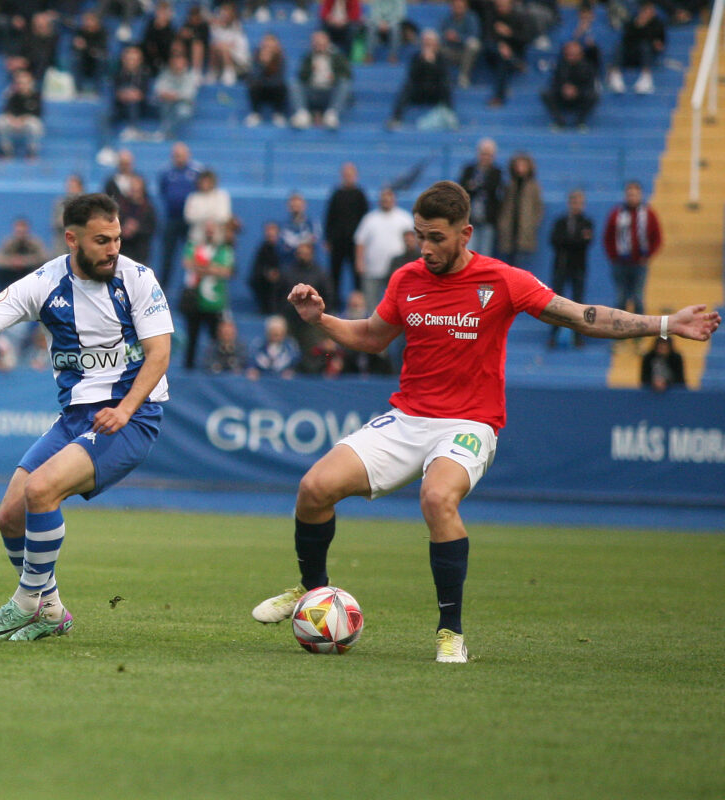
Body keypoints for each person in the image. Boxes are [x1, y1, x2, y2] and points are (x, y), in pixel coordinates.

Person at [250, 180, 720, 663]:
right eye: (419, 236)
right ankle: (313, 594)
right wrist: (320, 320)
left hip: (469, 424)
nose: (425, 247)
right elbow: (372, 337)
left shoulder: (503, 280)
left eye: (436, 237)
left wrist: (665, 324)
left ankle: (450, 632)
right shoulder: (406, 279)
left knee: (437, 498)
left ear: (466, 233)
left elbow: (582, 315)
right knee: (313, 488)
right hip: (409, 416)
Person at [0, 192, 174, 641]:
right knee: (9, 516)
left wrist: (125, 409)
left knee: (41, 489)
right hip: (75, 418)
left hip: (132, 415)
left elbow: (159, 353)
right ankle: (50, 610)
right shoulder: (44, 283)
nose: (113, 250)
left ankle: (25, 601)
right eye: (102, 240)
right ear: (71, 239)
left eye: (117, 239)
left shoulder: (138, 279)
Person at [181, 218, 234, 370]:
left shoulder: (224, 249)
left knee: (215, 337)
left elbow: (226, 271)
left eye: (213, 229)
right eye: (208, 229)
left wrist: (202, 268)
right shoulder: (195, 246)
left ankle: (215, 367)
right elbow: (187, 263)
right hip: (195, 300)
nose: (210, 232)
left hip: (215, 301)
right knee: (192, 337)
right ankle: (188, 368)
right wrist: (212, 268)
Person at [603, 180, 662, 315]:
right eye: (630, 194)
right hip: (620, 263)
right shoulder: (616, 214)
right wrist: (614, 256)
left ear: (640, 195)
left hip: (639, 263)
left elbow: (657, 238)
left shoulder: (648, 214)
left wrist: (647, 256)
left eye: (635, 194)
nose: (632, 197)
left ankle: (639, 331)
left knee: (638, 298)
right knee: (621, 298)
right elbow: (608, 237)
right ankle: (619, 329)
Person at [354, 187, 414, 313]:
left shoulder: (404, 218)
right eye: (384, 198)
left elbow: (413, 241)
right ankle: (374, 332)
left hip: (396, 272)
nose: (386, 200)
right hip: (373, 270)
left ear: (394, 199)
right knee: (372, 307)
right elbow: (360, 241)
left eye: (389, 197)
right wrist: (359, 262)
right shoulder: (370, 219)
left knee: (396, 307)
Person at [546, 188, 594, 348]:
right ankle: (553, 335)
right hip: (560, 267)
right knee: (556, 303)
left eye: (579, 202)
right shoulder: (560, 221)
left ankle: (578, 336)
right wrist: (574, 240)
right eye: (574, 202)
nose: (576, 206)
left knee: (578, 303)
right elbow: (554, 240)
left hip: (578, 267)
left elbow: (584, 243)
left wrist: (568, 241)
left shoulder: (587, 222)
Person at [386, 29, 453, 130]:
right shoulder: (416, 57)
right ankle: (396, 118)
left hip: (435, 91)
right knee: (407, 87)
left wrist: (432, 63)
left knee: (445, 85)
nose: (428, 44)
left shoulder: (441, 58)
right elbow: (412, 76)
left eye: (430, 41)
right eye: (426, 41)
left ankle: (449, 115)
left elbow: (443, 76)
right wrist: (423, 61)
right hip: (420, 91)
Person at [323, 162, 369, 308]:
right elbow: (329, 217)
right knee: (334, 275)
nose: (348, 177)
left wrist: (364, 242)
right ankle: (333, 305)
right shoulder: (336, 194)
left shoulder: (360, 195)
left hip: (355, 243)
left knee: (357, 275)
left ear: (355, 176)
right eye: (346, 174)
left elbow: (366, 219)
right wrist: (328, 239)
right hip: (337, 242)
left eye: (351, 174)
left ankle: (358, 306)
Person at [156, 142, 201, 288]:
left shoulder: (197, 171)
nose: (179, 158)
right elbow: (163, 191)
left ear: (188, 155)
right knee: (167, 257)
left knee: (193, 256)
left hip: (191, 221)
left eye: (181, 155)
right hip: (172, 219)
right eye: (176, 155)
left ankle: (192, 290)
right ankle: (163, 290)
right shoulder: (166, 173)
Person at [495, 151, 543, 267]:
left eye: (523, 165)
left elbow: (538, 208)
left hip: (524, 232)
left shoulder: (533, 186)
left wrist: (532, 224)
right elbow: (503, 206)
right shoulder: (509, 185)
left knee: (521, 266)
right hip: (509, 231)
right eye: (518, 165)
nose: (520, 169)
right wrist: (502, 224)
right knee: (507, 266)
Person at [296, 31, 352, 130]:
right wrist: (310, 70)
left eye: (322, 43)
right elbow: (301, 77)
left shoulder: (337, 56)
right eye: (317, 43)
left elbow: (347, 74)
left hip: (329, 92)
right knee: (294, 83)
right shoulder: (308, 58)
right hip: (312, 91)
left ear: (327, 42)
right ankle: (302, 114)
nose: (319, 45)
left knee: (344, 83)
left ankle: (332, 114)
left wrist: (334, 76)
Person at [607, 0, 665, 95]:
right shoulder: (633, 22)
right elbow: (626, 38)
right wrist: (638, 25)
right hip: (631, 52)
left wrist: (644, 27)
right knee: (619, 46)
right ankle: (615, 75)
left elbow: (658, 41)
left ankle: (646, 77)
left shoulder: (658, 24)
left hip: (647, 52)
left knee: (645, 45)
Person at [458, 138, 503, 257]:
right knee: (468, 252)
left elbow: (493, 189)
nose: (485, 157)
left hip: (487, 219)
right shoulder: (469, 169)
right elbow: (462, 189)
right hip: (470, 219)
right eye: (483, 154)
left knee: (485, 254)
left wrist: (475, 186)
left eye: (489, 154)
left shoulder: (496, 172)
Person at [541, 40, 598, 131]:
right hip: (563, 95)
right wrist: (563, 89)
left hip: (580, 96)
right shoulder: (560, 65)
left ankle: (580, 121)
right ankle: (560, 122)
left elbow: (590, 85)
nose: (570, 57)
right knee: (545, 93)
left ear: (580, 54)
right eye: (568, 54)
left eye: (573, 54)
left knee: (593, 95)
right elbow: (554, 83)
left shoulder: (588, 67)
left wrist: (577, 90)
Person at [484, 0, 530, 107]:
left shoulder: (519, 18)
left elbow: (525, 40)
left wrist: (510, 34)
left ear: (510, 5)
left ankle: (498, 98)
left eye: (503, 6)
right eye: (498, 6)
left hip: (510, 53)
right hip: (494, 52)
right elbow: (487, 37)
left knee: (503, 61)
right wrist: (500, 45)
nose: (501, 8)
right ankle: (514, 62)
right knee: (492, 48)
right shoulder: (491, 17)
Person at [0, 216, 48, 294]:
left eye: (23, 231)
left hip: (30, 273)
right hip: (12, 273)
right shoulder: (8, 242)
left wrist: (25, 261)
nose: (20, 233)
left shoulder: (35, 242)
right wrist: (12, 261)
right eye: (18, 231)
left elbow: (44, 258)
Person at [244, 33, 290, 127]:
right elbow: (252, 77)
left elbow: (279, 79)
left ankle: (278, 113)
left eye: (271, 44)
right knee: (253, 85)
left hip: (274, 91)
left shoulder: (281, 58)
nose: (268, 47)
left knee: (282, 87)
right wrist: (262, 65)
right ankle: (255, 113)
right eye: (266, 44)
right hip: (261, 91)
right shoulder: (256, 56)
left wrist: (269, 66)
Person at [0, 69, 44, 159]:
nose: (22, 85)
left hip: (27, 121)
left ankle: (32, 152)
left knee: (35, 125)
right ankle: (6, 151)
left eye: (24, 83)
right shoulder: (12, 95)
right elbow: (6, 110)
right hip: (14, 121)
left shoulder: (36, 96)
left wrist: (23, 119)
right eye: (20, 83)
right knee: (1, 121)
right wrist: (13, 119)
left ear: (30, 83)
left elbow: (37, 113)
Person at [153, 51, 198, 141]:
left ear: (185, 63)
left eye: (180, 62)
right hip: (168, 103)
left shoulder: (191, 75)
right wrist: (169, 95)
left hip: (184, 104)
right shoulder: (165, 74)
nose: (178, 65)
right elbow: (158, 90)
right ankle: (167, 133)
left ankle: (166, 132)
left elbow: (189, 94)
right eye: (175, 62)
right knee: (165, 103)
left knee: (183, 112)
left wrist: (174, 95)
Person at [438, 0, 481, 89]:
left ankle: (463, 77)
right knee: (437, 47)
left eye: (460, 7)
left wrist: (458, 38)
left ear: (465, 7)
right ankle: (442, 78)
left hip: (467, 52)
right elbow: (441, 35)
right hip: (451, 51)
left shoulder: (471, 18)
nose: (458, 9)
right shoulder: (447, 19)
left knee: (474, 44)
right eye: (455, 7)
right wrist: (447, 36)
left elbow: (474, 35)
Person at [184, 169, 232, 246]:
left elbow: (224, 216)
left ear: (213, 182)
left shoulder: (222, 196)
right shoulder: (193, 197)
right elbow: (189, 217)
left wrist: (210, 221)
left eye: (208, 182)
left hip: (218, 239)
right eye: (203, 182)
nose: (205, 184)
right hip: (197, 238)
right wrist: (207, 217)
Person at [118, 176, 157, 264]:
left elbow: (152, 229)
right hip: (123, 250)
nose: (135, 192)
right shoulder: (121, 206)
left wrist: (136, 229)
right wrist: (124, 229)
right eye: (133, 189)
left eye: (137, 189)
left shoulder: (148, 208)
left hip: (140, 252)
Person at [246, 314, 299, 379]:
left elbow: (296, 363)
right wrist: (253, 369)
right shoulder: (257, 345)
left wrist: (291, 371)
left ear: (284, 333)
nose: (276, 337)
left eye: (279, 334)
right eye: (273, 333)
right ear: (268, 332)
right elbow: (252, 361)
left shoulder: (291, 347)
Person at [249, 220, 285, 315]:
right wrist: (267, 273)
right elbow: (257, 268)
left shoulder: (284, 248)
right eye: (268, 230)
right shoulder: (262, 249)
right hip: (266, 282)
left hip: (283, 280)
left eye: (273, 230)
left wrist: (279, 274)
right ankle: (265, 307)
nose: (270, 233)